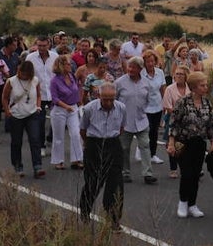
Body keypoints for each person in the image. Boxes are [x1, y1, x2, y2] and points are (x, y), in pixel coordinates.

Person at [166, 71, 213, 219]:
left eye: (206, 85)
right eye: (202, 85)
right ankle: (183, 201)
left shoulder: (207, 103)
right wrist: (171, 143)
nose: (205, 87)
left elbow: (210, 125)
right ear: (193, 87)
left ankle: (192, 204)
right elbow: (173, 123)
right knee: (186, 173)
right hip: (183, 142)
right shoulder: (183, 102)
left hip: (199, 143)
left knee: (195, 175)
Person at [78, 82, 126, 228]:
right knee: (93, 182)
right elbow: (83, 130)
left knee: (116, 184)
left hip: (113, 144)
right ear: (99, 96)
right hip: (94, 144)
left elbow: (122, 128)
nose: (109, 102)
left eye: (111, 99)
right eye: (105, 99)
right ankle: (85, 211)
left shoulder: (121, 108)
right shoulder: (89, 109)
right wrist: (89, 144)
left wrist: (112, 140)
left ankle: (113, 218)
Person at [115, 56, 160, 185]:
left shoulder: (146, 83)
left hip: (141, 120)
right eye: (129, 66)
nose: (130, 69)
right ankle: (125, 173)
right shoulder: (120, 82)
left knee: (145, 146)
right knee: (124, 148)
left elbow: (147, 100)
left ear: (140, 69)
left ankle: (148, 174)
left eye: (134, 67)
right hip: (125, 122)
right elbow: (114, 100)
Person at [3, 59, 44, 177]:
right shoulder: (11, 81)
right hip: (16, 115)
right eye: (21, 72)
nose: (22, 75)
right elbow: (5, 98)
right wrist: (7, 111)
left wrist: (38, 107)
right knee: (17, 142)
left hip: (32, 114)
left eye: (25, 73)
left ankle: (37, 166)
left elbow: (39, 95)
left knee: (35, 139)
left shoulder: (35, 81)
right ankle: (17, 166)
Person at [49, 54, 84, 171]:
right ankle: (58, 161)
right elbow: (54, 98)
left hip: (73, 108)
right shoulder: (54, 81)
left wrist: (79, 102)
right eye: (68, 64)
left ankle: (77, 159)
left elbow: (77, 90)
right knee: (58, 136)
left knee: (75, 133)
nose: (70, 65)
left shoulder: (72, 76)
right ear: (61, 65)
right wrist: (66, 106)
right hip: (59, 110)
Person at [141, 50, 167, 168]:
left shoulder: (160, 72)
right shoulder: (141, 74)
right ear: (144, 63)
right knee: (147, 131)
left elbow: (163, 89)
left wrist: (165, 104)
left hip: (157, 105)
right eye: (148, 62)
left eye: (152, 61)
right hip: (145, 106)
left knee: (154, 131)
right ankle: (144, 152)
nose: (150, 64)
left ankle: (153, 154)